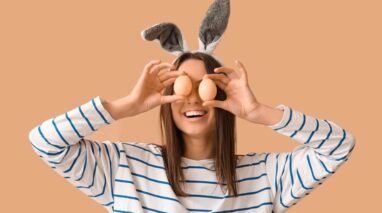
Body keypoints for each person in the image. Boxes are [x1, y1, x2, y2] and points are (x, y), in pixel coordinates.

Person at [29, 51, 356, 213]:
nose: (193, 97)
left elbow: (339, 146)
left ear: (224, 96)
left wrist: (260, 113)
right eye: (181, 85)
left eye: (206, 86)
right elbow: (44, 141)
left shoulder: (266, 175)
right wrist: (124, 106)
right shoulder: (123, 168)